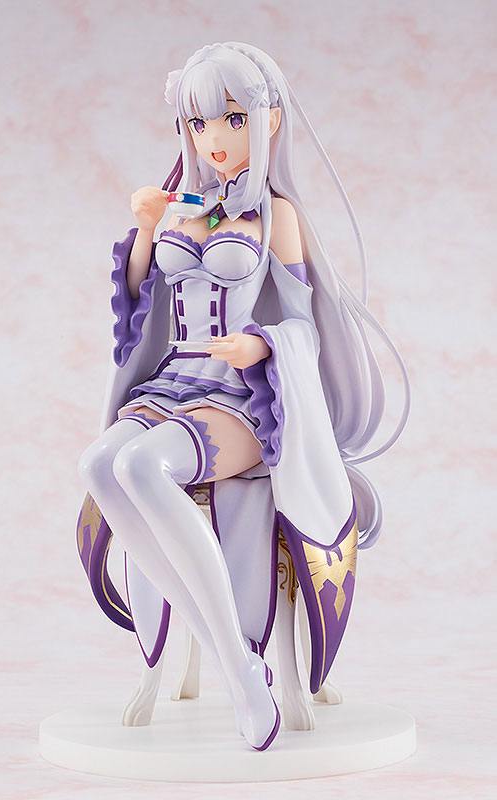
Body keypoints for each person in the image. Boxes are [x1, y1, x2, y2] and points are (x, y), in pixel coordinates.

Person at [76, 41, 411, 751]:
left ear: (269, 121)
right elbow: (138, 302)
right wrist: (147, 228)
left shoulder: (276, 217)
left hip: (240, 397)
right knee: (98, 464)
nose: (215, 139)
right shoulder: (181, 208)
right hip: (170, 383)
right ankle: (238, 663)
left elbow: (305, 325)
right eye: (199, 123)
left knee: (140, 467)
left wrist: (260, 347)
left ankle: (237, 665)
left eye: (232, 119)